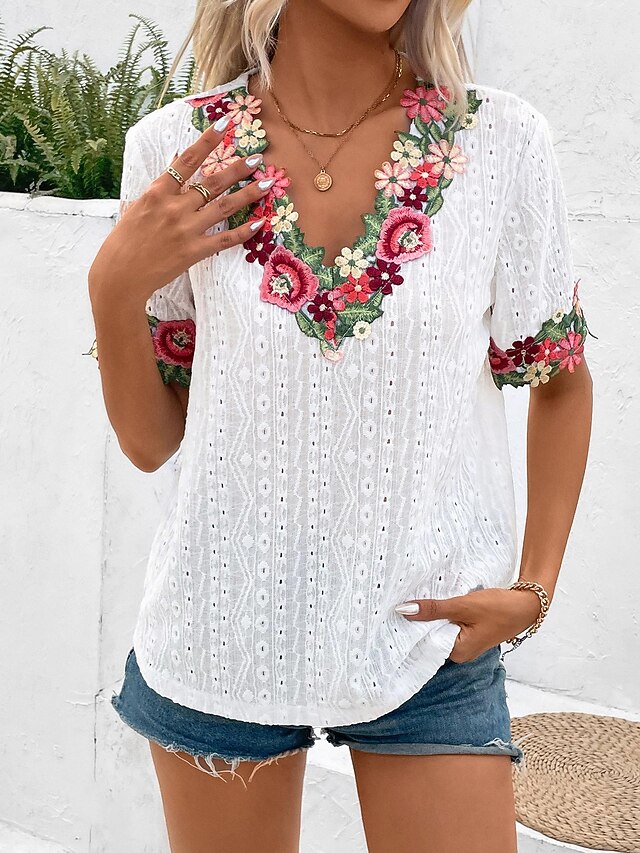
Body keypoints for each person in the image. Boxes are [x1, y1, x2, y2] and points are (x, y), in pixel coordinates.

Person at [87, 0, 594, 850]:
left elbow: (560, 379)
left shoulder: (501, 142)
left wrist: (534, 588)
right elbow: (151, 441)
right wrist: (112, 289)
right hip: (220, 634)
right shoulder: (179, 150)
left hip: (431, 639)